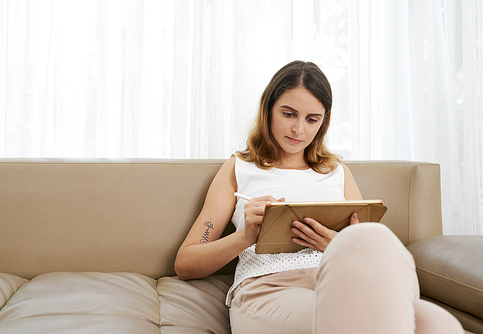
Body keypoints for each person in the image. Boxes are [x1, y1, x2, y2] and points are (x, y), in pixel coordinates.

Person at [174, 61, 464, 333]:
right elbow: (186, 263)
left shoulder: (336, 171)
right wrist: (246, 236)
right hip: (269, 288)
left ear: (323, 122)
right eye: (288, 114)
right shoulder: (240, 167)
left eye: (312, 119)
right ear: (268, 110)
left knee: (438, 321)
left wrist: (336, 245)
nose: (299, 129)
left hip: (342, 282)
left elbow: (365, 247)